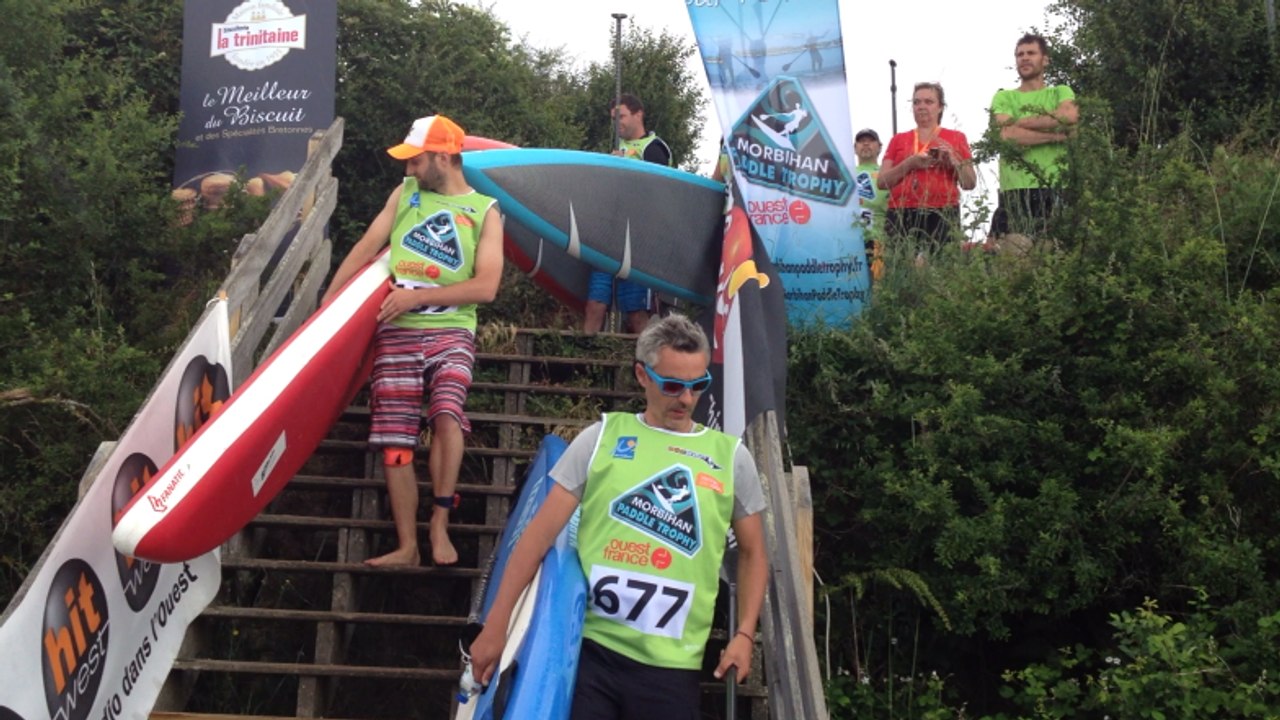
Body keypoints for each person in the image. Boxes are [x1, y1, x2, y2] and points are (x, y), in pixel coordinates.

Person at [468, 315, 768, 720]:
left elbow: (752, 552)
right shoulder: (601, 438)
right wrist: (496, 623)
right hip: (591, 653)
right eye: (673, 385)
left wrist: (745, 633)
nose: (686, 398)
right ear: (642, 376)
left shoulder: (731, 457)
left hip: (673, 667)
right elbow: (537, 537)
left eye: (698, 385)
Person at [320, 115, 503, 567]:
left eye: (416, 161)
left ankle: (439, 524)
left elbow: (486, 287)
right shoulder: (405, 195)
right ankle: (407, 545)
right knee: (395, 441)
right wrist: (328, 302)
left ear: (444, 156)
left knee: (446, 412)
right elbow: (367, 246)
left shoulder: (485, 210)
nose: (409, 170)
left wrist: (415, 299)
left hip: (453, 328)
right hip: (397, 332)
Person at [584, 93, 672, 335]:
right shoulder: (617, 149)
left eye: (621, 116)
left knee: (635, 313)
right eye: (613, 119)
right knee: (595, 305)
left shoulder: (654, 149)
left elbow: (657, 193)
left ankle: (639, 367)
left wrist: (624, 169)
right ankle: (582, 368)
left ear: (638, 115)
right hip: (610, 234)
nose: (617, 123)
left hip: (639, 241)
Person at [989, 33, 1078, 241]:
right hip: (1015, 190)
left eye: (1031, 53)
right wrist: (1056, 136)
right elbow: (1007, 135)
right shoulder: (1005, 96)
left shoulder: (1060, 92)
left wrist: (1019, 123)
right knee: (1014, 262)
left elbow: (1069, 116)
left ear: (1045, 59)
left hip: (1055, 186)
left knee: (1054, 260)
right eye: (1020, 54)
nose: (1025, 58)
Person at [877, 82, 977, 248]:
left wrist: (953, 161)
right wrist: (909, 164)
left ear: (940, 107)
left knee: (941, 268)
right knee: (902, 269)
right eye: (916, 102)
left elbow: (970, 183)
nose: (921, 106)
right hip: (902, 211)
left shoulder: (956, 138)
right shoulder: (898, 139)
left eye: (928, 102)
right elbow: (881, 182)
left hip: (943, 210)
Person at [853, 128, 888, 279]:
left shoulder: (888, 173)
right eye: (861, 141)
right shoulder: (845, 172)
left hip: (878, 240)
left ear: (880, 147)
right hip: (850, 240)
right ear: (854, 148)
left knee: (879, 287)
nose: (866, 144)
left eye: (870, 141)